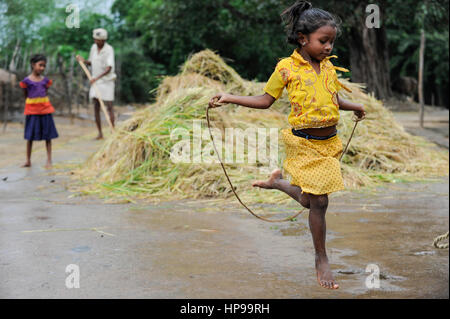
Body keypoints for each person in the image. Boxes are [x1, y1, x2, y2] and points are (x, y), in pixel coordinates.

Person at [208, 1, 366, 290]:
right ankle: (321, 257)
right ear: (303, 39)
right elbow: (264, 100)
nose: (328, 47)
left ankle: (277, 183)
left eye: (331, 41)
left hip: (329, 143)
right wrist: (230, 97)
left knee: (312, 201)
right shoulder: (286, 68)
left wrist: (355, 106)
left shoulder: (329, 69)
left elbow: (334, 100)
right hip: (303, 143)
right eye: (323, 41)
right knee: (319, 201)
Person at [19, 54, 59, 169]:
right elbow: (25, 95)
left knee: (48, 136)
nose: (42, 68)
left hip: (45, 110)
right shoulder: (26, 81)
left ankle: (49, 160)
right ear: (33, 65)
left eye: (44, 66)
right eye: (40, 65)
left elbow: (45, 93)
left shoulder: (45, 81)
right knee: (29, 137)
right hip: (32, 111)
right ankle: (28, 160)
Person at [76, 28, 116, 139]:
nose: (97, 42)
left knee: (109, 106)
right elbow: (91, 63)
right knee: (96, 105)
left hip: (107, 81)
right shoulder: (93, 48)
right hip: (95, 81)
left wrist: (97, 78)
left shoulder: (109, 49)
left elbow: (109, 68)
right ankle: (100, 133)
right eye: (96, 40)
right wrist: (83, 61)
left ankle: (112, 131)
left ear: (104, 40)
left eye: (100, 40)